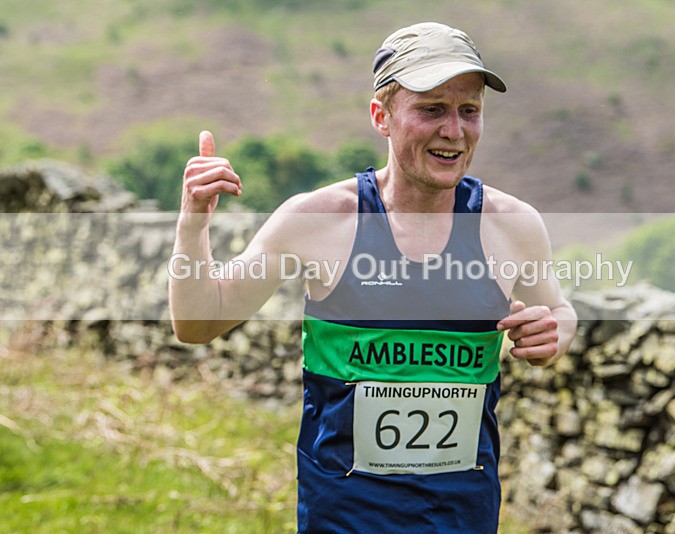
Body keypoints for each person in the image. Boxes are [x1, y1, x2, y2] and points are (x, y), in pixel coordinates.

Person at [170, 21, 577, 533]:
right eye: (431, 109)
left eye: (468, 111)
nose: (454, 130)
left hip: (462, 518)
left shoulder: (513, 226)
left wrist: (555, 332)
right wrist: (192, 225)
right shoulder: (317, 219)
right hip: (342, 519)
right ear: (381, 117)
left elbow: (559, 312)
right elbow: (197, 324)